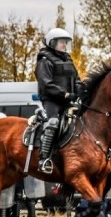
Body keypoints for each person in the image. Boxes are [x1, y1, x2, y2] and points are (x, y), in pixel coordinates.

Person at [35, 27, 83, 174]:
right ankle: (44, 159)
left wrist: (80, 89)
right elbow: (46, 84)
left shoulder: (68, 59)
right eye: (62, 42)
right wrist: (65, 94)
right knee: (53, 123)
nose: (64, 45)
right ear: (52, 42)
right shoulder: (44, 60)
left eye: (66, 42)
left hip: (69, 100)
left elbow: (77, 79)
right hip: (52, 100)